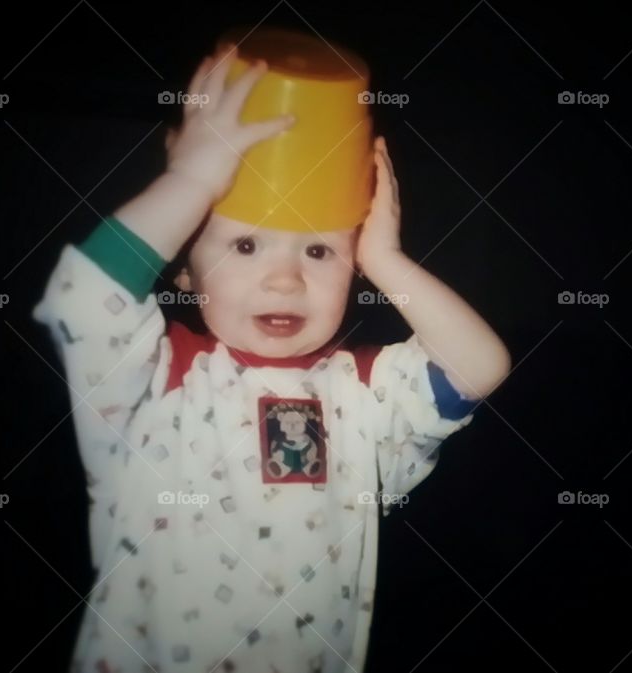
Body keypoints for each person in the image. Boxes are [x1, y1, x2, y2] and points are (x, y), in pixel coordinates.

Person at [33, 34, 511, 673]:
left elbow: (479, 367)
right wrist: (195, 180)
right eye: (246, 247)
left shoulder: (363, 393)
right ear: (183, 272)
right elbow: (86, 296)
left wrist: (386, 260)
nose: (285, 280)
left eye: (319, 252)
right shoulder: (154, 380)